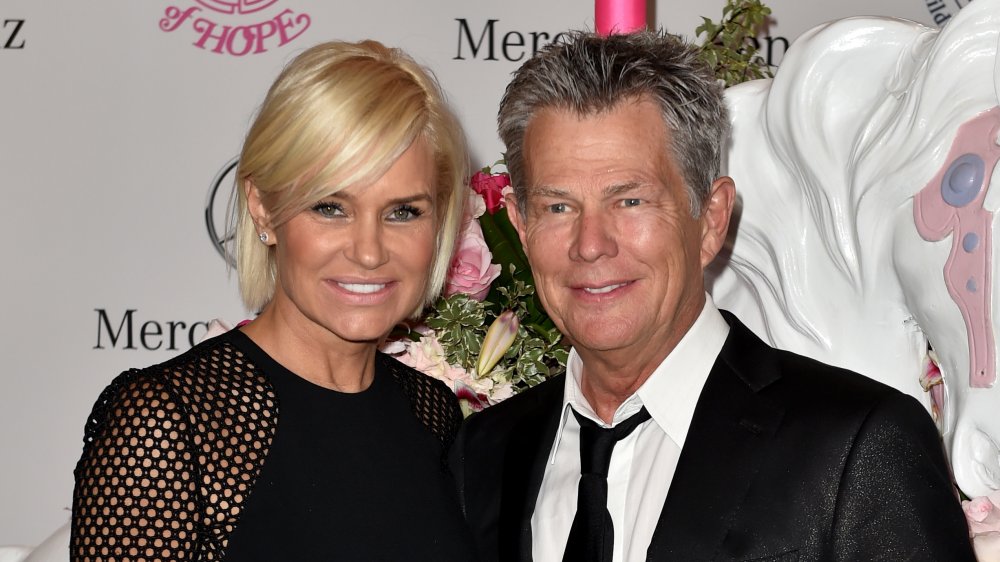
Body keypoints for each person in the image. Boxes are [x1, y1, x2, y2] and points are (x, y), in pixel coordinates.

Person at [450, 30, 976, 561]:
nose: (590, 246)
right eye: (558, 207)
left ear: (712, 219)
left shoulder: (857, 448)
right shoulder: (484, 455)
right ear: (520, 225)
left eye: (630, 201)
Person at [71, 40, 476, 561]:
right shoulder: (167, 426)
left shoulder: (432, 413)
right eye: (331, 207)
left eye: (403, 212)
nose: (370, 251)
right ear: (262, 208)